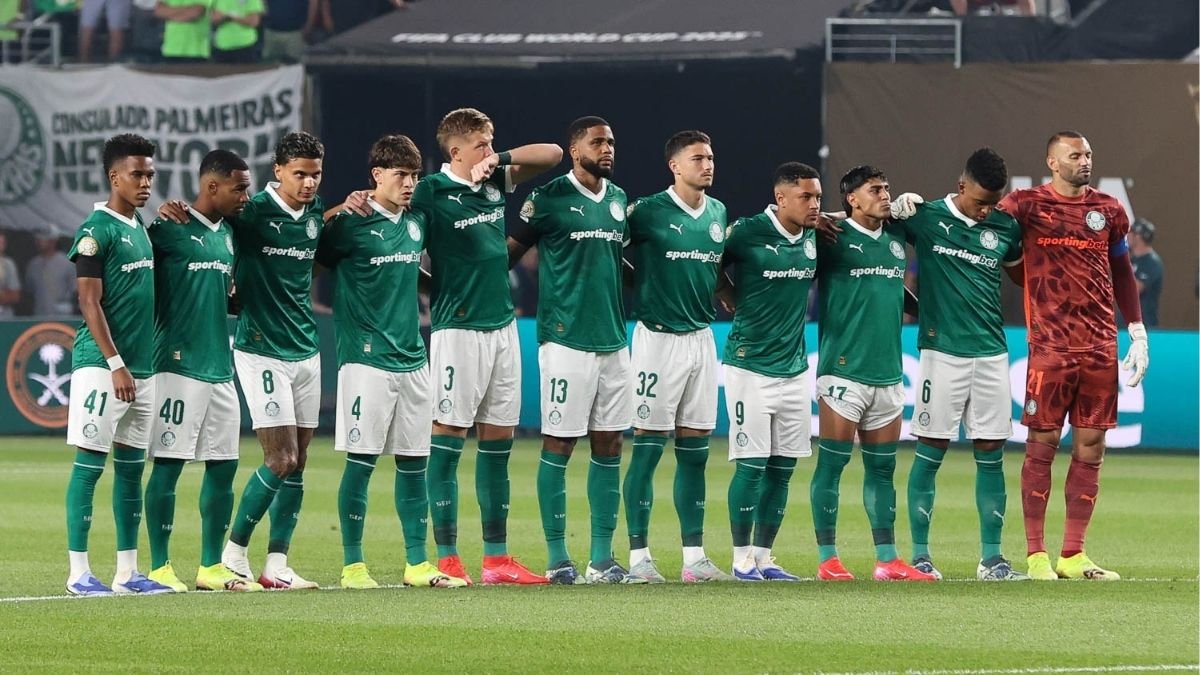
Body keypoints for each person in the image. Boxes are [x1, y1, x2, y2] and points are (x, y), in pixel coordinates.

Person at [163, 132, 335, 589]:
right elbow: (209, 221)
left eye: (316, 175)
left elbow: (308, 256)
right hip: (261, 350)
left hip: (306, 349)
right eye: (299, 174)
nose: (308, 184)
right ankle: (233, 554)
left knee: (298, 464)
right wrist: (173, 209)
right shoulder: (250, 210)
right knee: (280, 459)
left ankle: (277, 565)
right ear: (277, 171)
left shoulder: (316, 213)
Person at [413, 107, 562, 585]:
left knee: (499, 440)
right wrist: (429, 286)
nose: (489, 149)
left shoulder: (495, 180)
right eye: (480, 143)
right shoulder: (431, 192)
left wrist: (497, 157)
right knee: (450, 435)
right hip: (458, 329)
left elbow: (553, 153)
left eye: (492, 140)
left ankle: (497, 560)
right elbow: (392, 236)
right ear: (455, 151)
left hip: (502, 329)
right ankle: (449, 555)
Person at [997, 131, 1148, 581]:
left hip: (1100, 346)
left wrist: (1136, 330)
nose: (1085, 161)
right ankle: (1036, 555)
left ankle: (1073, 554)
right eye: (1075, 155)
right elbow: (988, 233)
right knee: (1040, 446)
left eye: (1088, 154)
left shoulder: (1108, 211)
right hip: (1050, 348)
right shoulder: (1024, 206)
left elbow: (1121, 269)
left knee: (1091, 447)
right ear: (1051, 161)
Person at [319, 134, 466, 590]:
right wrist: (337, 209)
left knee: (414, 464)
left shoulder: (416, 221)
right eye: (400, 175)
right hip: (365, 361)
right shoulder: (351, 223)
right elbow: (310, 250)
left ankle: (417, 564)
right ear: (376, 175)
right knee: (361, 463)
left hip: (413, 359)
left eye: (414, 176)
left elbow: (416, 278)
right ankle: (353, 566)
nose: (408, 184)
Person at [887, 148, 1029, 581]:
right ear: (961, 185)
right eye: (981, 201)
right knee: (931, 451)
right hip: (940, 353)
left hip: (991, 354)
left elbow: (1023, 276)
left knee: (991, 453)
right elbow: (867, 225)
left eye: (994, 203)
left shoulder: (1005, 226)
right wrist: (893, 210)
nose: (988, 211)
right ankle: (921, 555)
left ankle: (992, 558)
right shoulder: (926, 217)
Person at [507, 116, 637, 585]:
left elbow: (618, 264)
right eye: (597, 142)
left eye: (612, 142)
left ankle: (602, 559)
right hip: (564, 341)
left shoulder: (620, 201)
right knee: (559, 444)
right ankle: (558, 556)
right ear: (574, 147)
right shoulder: (547, 199)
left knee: (610, 444)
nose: (607, 149)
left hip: (614, 341)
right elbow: (508, 254)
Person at [808, 165, 936, 582]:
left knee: (882, 471)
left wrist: (910, 211)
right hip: (843, 371)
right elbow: (790, 221)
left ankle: (887, 560)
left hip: (888, 374)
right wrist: (827, 217)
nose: (885, 195)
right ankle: (828, 558)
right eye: (875, 190)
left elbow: (896, 289)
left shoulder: (897, 238)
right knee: (833, 465)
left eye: (887, 188)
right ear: (852, 199)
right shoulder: (831, 237)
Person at [141, 150, 261, 593]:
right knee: (169, 467)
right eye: (239, 187)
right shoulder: (167, 229)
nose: (245, 196)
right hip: (175, 365)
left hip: (219, 367)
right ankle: (159, 565)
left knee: (224, 466)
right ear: (212, 187)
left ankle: (211, 566)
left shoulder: (228, 234)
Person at [63, 134, 172, 595]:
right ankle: (78, 573)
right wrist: (115, 363)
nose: (146, 182)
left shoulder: (141, 226)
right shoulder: (96, 231)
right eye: (137, 174)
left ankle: (128, 573)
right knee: (90, 464)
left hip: (142, 370)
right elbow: (89, 302)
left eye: (150, 174)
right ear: (114, 177)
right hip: (102, 367)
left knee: (131, 469)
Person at [623, 130, 731, 583]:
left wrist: (729, 298)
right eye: (698, 158)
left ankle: (694, 559)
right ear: (675, 165)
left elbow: (716, 271)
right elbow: (605, 252)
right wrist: (642, 283)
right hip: (657, 340)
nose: (707, 165)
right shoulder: (646, 211)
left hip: (701, 340)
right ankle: (638, 558)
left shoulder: (719, 212)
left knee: (695, 453)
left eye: (710, 157)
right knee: (647, 451)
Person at [719, 162, 822, 582]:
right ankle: (741, 556)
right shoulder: (747, 232)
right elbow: (709, 265)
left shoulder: (817, 235)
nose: (815, 204)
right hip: (750, 366)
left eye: (818, 197)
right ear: (781, 198)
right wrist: (729, 295)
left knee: (783, 467)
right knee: (751, 464)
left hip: (795, 368)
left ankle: (764, 555)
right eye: (806, 197)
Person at [25, 224, 76, 316]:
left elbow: (75, 291)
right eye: (37, 239)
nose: (39, 242)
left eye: (43, 239)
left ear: (53, 241)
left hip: (62, 316)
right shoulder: (33, 264)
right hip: (38, 315)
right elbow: (29, 292)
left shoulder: (67, 262)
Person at [1128, 218, 1163, 328]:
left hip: (1144, 324)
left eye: (1130, 233)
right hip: (1125, 322)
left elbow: (1134, 290)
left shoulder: (1152, 262)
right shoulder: (1130, 260)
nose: (1127, 237)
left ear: (1138, 236)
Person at [0, 233, 21, 317]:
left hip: (4, 316)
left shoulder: (8, 264)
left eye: (2, 242)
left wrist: (2, 295)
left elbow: (15, 296)